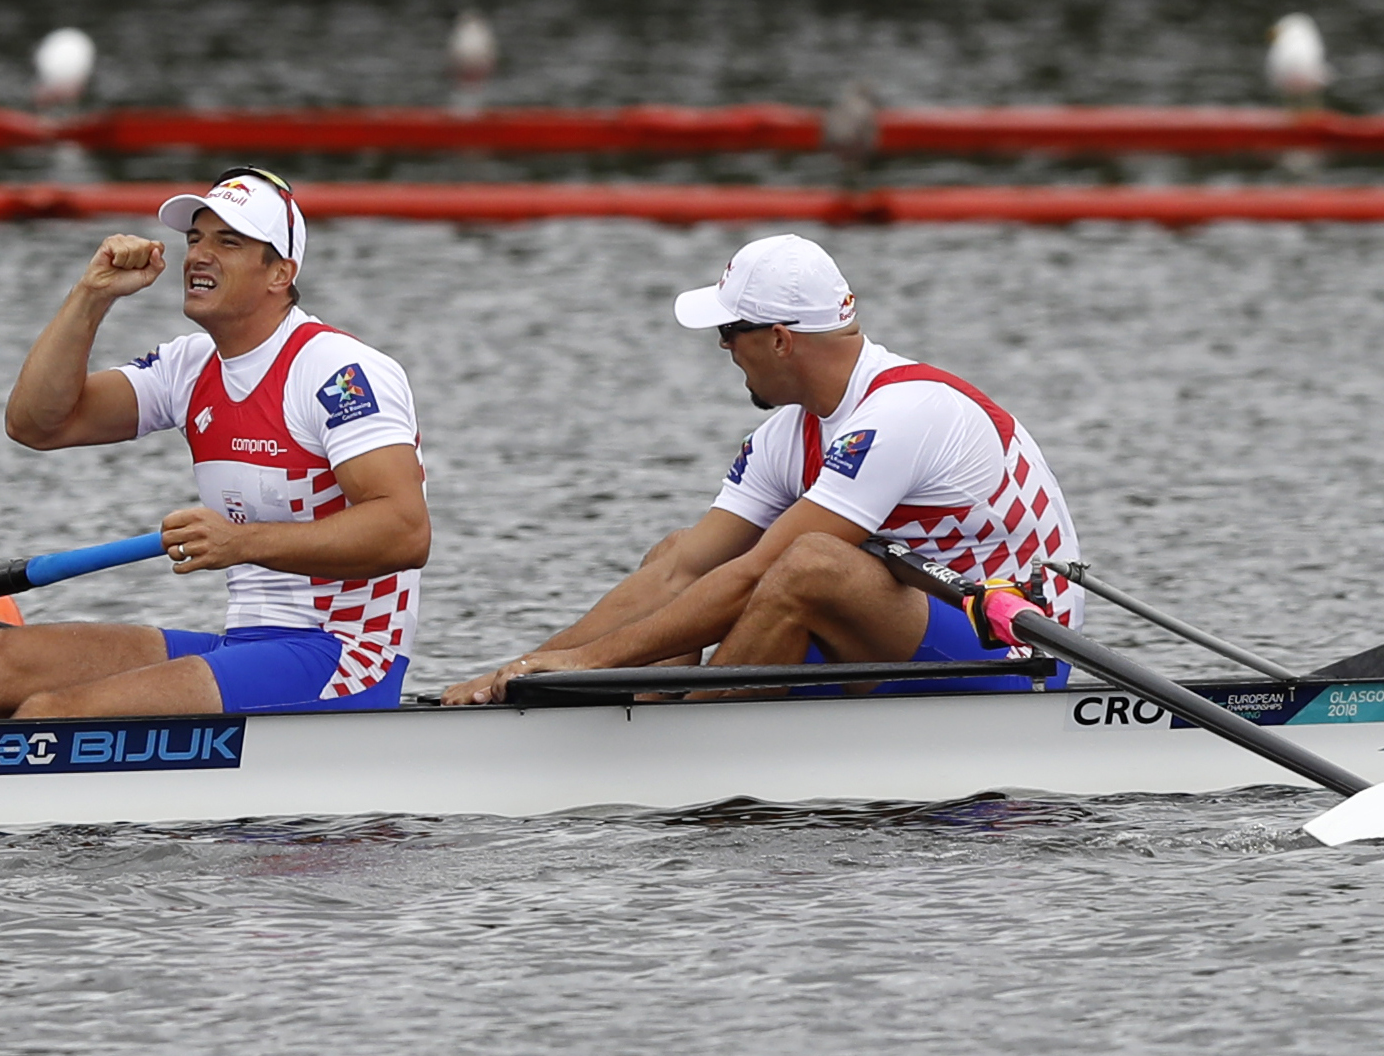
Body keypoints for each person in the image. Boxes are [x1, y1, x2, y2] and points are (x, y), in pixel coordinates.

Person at [0, 167, 429, 721]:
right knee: (2, 658)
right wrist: (92, 295)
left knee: (56, 713)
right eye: (195, 238)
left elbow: (405, 531)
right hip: (249, 645)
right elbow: (37, 424)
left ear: (280, 273)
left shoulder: (338, 371)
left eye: (228, 242)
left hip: (345, 657)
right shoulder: (189, 366)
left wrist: (242, 542)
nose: (199, 256)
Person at [443, 233, 1082, 705]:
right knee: (678, 550)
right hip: (901, 639)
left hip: (1014, 655)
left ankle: (682, 755)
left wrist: (586, 661)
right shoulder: (786, 436)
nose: (723, 347)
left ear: (779, 339)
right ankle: (642, 719)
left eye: (729, 331)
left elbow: (760, 574)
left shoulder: (904, 412)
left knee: (810, 564)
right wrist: (528, 666)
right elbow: (680, 571)